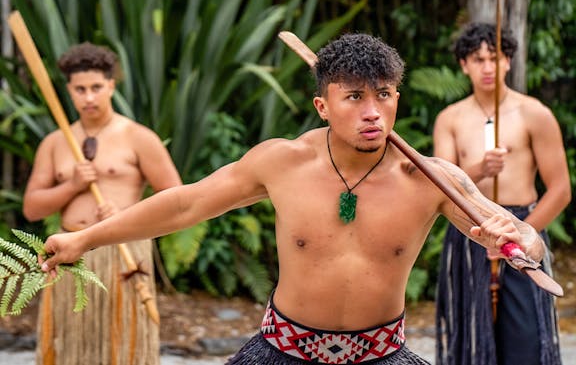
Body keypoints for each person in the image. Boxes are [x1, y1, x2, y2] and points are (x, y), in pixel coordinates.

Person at [40, 33, 547, 365]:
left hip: (382, 356)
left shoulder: (431, 179)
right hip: (281, 351)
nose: (373, 112)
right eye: (355, 97)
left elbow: (523, 237)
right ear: (322, 106)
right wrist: (84, 238)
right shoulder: (281, 162)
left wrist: (518, 240)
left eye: (385, 95)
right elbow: (184, 204)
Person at [23, 42, 182, 365]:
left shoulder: (138, 137)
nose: (89, 97)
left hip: (122, 254)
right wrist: (72, 186)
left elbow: (176, 199)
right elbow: (32, 207)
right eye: (80, 89)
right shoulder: (55, 142)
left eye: (97, 87)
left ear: (111, 85)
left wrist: (124, 216)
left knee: (123, 346)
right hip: (69, 255)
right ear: (69, 90)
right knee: (69, 344)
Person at [433, 22, 571, 365]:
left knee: (525, 338)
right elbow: (440, 188)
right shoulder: (450, 119)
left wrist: (522, 235)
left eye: (494, 57)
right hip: (470, 229)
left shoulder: (534, 113)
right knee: (472, 341)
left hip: (522, 227)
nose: (487, 67)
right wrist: (480, 170)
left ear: (508, 61)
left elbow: (560, 189)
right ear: (464, 65)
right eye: (477, 59)